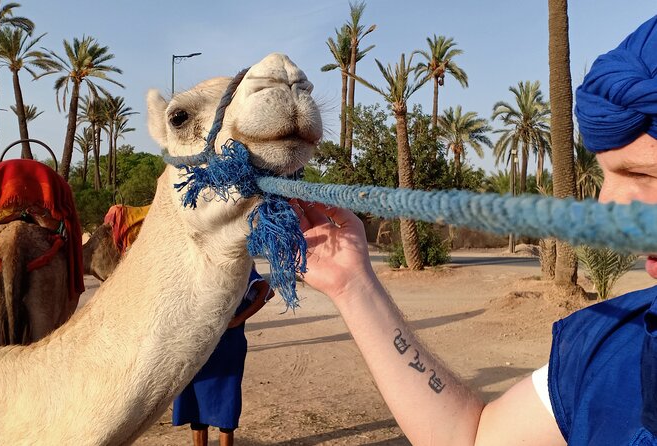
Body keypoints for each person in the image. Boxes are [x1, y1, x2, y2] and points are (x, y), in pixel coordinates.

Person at [292, 15, 657, 445]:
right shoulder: (606, 346)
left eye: (644, 175)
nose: (606, 207)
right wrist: (352, 283)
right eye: (607, 175)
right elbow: (473, 437)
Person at [172, 265, 274, 446]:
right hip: (197, 343)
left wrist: (239, 319)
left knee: (226, 399)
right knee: (194, 401)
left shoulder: (235, 265)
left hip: (227, 344)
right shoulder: (195, 265)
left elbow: (267, 291)